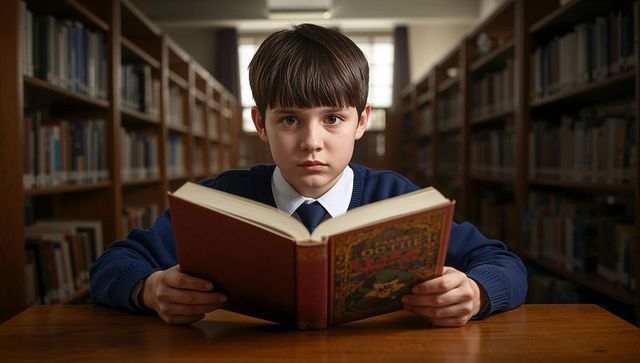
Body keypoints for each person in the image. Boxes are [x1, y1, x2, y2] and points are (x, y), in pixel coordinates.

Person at [90, 23, 527, 327]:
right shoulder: (220, 201)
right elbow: (111, 265)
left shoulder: (400, 200)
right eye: (290, 120)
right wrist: (148, 290)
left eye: (333, 118)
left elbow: (506, 265)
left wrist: (476, 292)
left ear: (362, 121)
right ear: (261, 124)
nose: (312, 142)